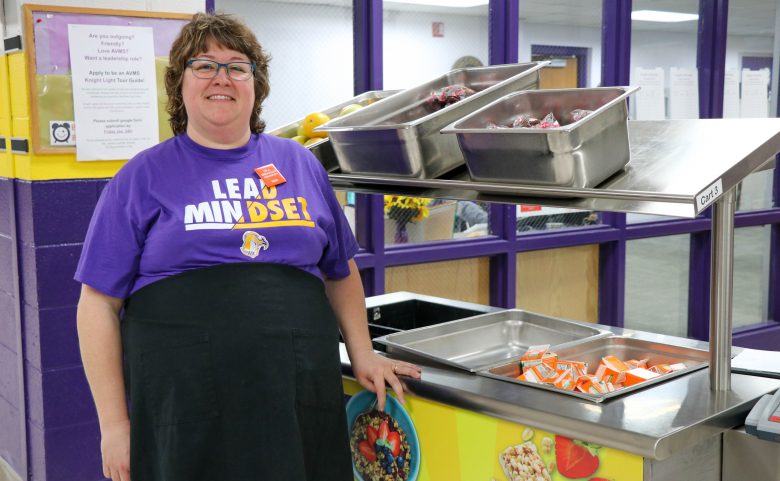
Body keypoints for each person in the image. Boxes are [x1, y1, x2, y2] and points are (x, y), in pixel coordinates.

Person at [75, 12, 421, 481]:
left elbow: (340, 270)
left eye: (238, 66)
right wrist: (114, 426)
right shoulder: (141, 176)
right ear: (180, 82)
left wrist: (361, 351)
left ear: (256, 85)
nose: (222, 78)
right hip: (184, 411)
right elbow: (96, 304)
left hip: (295, 401)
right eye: (204, 66)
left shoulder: (300, 165)